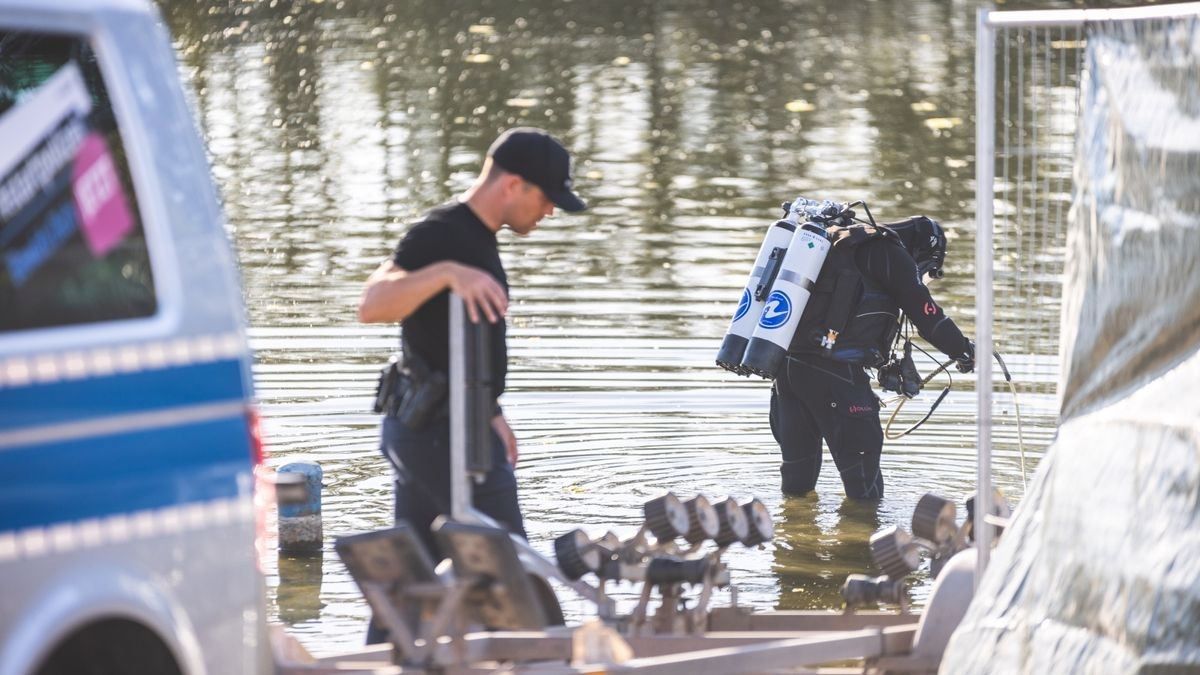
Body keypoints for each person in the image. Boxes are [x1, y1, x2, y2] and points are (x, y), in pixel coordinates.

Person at [357, 127, 586, 559]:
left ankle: (398, 630)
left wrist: (491, 412)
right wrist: (447, 274)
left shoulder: (474, 236)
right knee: (516, 574)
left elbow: (443, 344)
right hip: (445, 437)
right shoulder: (443, 232)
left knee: (415, 584)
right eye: (547, 197)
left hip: (433, 428)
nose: (551, 211)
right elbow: (372, 305)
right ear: (513, 184)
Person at [770, 214, 974, 500]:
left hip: (788, 370)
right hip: (836, 375)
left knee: (796, 484)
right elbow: (928, 315)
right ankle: (863, 542)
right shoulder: (890, 253)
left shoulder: (839, 241)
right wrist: (963, 350)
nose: (922, 274)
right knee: (865, 493)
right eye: (927, 269)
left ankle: (792, 537)